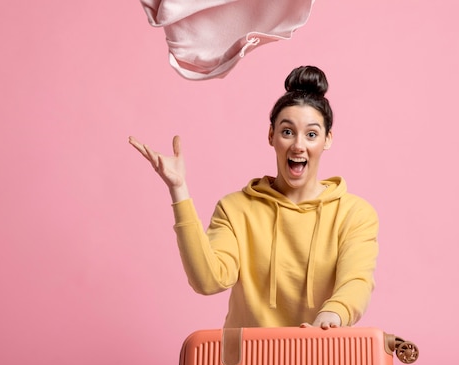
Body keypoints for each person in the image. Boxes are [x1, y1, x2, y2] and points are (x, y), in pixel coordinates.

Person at [129, 65, 379, 329]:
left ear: (327, 140)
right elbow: (207, 280)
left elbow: (356, 280)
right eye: (287, 131)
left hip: (319, 355)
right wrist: (178, 189)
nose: (298, 145)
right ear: (271, 136)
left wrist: (333, 315)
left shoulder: (355, 214)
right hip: (247, 361)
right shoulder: (235, 208)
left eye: (312, 134)